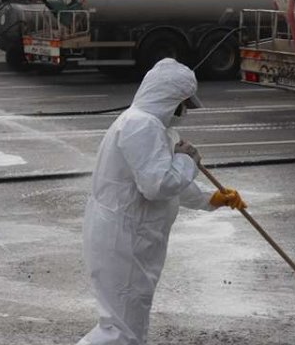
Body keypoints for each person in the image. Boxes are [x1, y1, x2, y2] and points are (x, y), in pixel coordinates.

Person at [78, 58, 246, 345]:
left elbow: (168, 182)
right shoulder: (141, 126)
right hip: (126, 239)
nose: (185, 112)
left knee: (125, 325)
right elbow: (157, 185)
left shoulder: (152, 126)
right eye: (184, 104)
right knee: (121, 331)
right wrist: (186, 161)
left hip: (130, 236)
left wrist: (210, 199)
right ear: (171, 99)